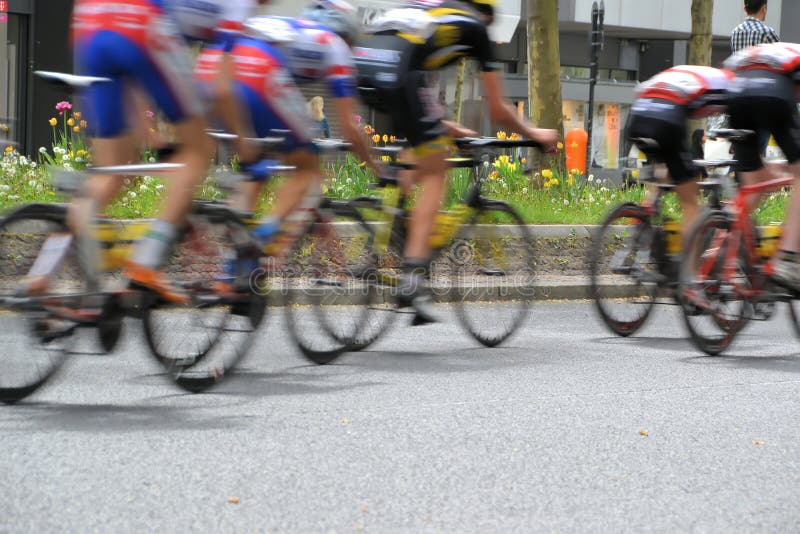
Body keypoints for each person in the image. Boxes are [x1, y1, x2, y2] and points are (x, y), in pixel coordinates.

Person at [353, 0, 558, 323]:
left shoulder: (438, 14)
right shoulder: (476, 29)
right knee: (438, 169)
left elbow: (423, 97)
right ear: (488, 15)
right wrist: (537, 134)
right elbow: (500, 111)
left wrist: (449, 127)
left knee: (417, 153)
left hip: (366, 64)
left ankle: (385, 234)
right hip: (398, 71)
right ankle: (412, 277)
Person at [195, 0, 383, 287]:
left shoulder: (293, 29)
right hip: (255, 69)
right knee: (307, 167)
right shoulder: (335, 46)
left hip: (210, 67)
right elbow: (349, 127)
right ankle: (259, 239)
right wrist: (377, 167)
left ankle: (232, 265)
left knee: (256, 164)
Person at [722, 42, 800, 290]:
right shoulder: (794, 56)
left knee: (754, 183)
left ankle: (720, 248)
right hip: (771, 95)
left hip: (736, 96)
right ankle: (788, 258)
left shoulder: (766, 52)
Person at [626, 65, 733, 240]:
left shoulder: (682, 72)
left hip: (637, 118)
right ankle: (687, 263)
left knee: (664, 169)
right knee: (690, 199)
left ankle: (644, 214)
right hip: (668, 118)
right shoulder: (726, 83)